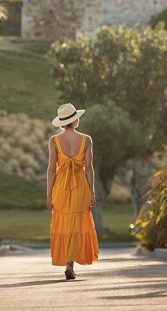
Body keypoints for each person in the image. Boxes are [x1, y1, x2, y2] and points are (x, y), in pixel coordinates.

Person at [46, 103, 99, 280]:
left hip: (60, 188)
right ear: (75, 120)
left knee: (65, 224)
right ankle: (70, 263)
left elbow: (51, 170)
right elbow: (89, 169)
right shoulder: (86, 139)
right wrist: (92, 192)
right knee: (77, 224)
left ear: (62, 122)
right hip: (80, 188)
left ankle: (68, 262)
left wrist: (48, 195)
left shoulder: (54, 141)